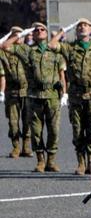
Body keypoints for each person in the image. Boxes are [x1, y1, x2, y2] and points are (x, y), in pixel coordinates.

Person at [50, 18, 91, 175]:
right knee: (78, 131)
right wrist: (65, 29)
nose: (82, 28)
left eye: (85, 26)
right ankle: (81, 163)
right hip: (76, 96)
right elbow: (51, 45)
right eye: (79, 26)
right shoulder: (70, 48)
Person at [2, 22, 66, 172]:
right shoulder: (28, 51)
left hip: (52, 96)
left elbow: (61, 74)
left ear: (46, 32)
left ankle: (51, 160)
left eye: (42, 29)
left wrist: (64, 92)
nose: (39, 31)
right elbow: (5, 46)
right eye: (36, 30)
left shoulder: (55, 52)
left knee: (54, 130)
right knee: (36, 130)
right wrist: (22, 34)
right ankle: (40, 161)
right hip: (34, 95)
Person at [0, 26, 32, 158]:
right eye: (15, 35)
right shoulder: (4, 51)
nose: (19, 38)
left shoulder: (28, 50)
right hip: (11, 92)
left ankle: (26, 146)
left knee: (27, 121)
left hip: (27, 91)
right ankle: (16, 147)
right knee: (13, 122)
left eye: (20, 35)